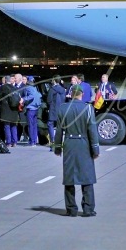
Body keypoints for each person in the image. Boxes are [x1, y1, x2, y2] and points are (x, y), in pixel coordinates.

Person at [54, 84, 100, 217]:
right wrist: (95, 149)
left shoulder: (62, 108)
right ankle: (88, 209)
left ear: (71, 94)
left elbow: (59, 131)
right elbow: (92, 130)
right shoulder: (88, 108)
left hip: (69, 144)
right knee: (87, 177)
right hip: (84, 144)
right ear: (81, 94)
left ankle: (71, 209)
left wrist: (58, 148)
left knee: (69, 178)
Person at [0, 75, 19, 147]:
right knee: (13, 126)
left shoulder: (2, 87)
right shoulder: (15, 88)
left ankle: (8, 142)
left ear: (5, 80)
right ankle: (15, 142)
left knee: (7, 126)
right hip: (14, 109)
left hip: (6, 109)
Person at [47, 75, 66, 151]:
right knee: (59, 127)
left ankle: (53, 141)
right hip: (61, 109)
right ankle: (59, 142)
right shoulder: (63, 89)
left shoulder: (52, 89)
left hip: (53, 109)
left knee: (50, 124)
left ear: (54, 80)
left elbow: (49, 100)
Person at [21, 77, 42, 146]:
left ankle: (32, 141)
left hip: (30, 108)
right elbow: (39, 95)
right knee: (34, 125)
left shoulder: (28, 88)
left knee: (30, 125)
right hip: (36, 108)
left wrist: (23, 99)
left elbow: (31, 96)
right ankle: (34, 140)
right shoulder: (35, 89)